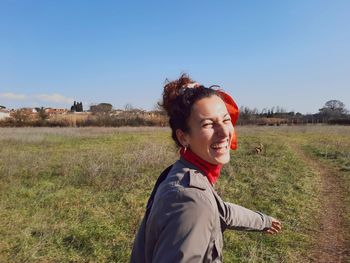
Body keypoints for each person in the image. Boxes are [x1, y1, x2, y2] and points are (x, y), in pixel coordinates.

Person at [131, 74, 281, 262]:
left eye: (226, 120)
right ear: (183, 137)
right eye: (208, 124)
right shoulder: (190, 199)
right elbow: (201, 206)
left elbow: (222, 211)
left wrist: (263, 222)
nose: (224, 132)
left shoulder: (183, 172)